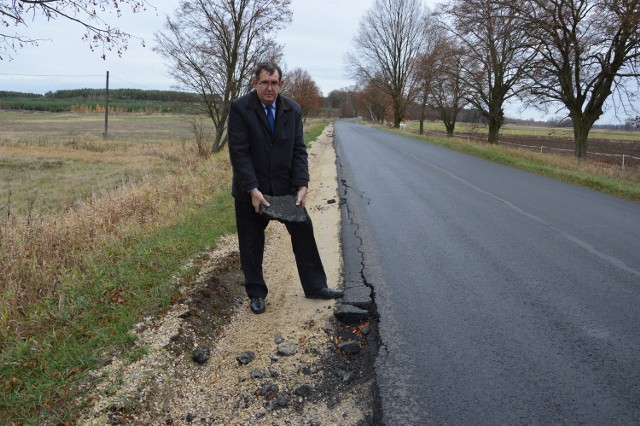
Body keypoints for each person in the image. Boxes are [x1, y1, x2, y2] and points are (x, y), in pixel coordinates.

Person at [227, 62, 343, 314]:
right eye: (264, 82)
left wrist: (302, 184)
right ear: (255, 83)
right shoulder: (239, 109)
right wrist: (251, 188)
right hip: (251, 192)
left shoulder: (293, 109)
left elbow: (298, 151)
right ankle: (256, 294)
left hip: (285, 189)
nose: (269, 88)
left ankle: (315, 287)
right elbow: (239, 153)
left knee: (304, 231)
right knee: (251, 243)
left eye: (274, 83)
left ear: (281, 84)